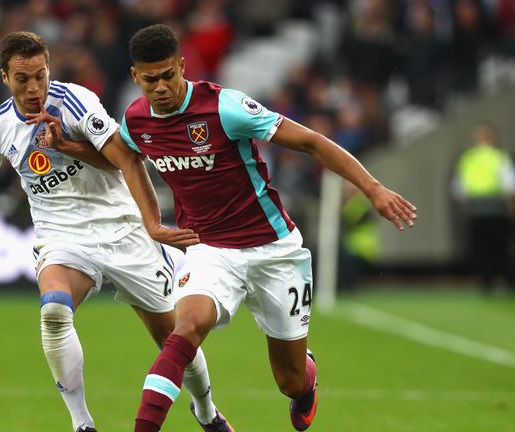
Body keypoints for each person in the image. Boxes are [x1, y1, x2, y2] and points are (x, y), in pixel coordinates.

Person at [109, 24, 416, 431]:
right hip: (210, 250)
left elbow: (311, 142)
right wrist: (151, 221)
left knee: (288, 382)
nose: (161, 87)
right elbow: (124, 156)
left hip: (274, 251)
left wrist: (373, 189)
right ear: (136, 77)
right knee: (184, 330)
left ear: (182, 66)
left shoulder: (225, 107)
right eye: (151, 80)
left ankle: (306, 377)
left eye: (169, 75)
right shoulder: (136, 119)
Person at [0, 31, 233, 432]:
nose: (34, 88)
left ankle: (207, 411)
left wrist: (69, 147)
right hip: (61, 235)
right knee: (54, 312)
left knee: (174, 338)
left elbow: (126, 161)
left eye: (40, 76)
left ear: (49, 70)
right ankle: (83, 425)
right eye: (22, 79)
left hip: (122, 228)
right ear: (4, 78)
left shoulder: (75, 102)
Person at [451, 123, 515, 293]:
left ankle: (486, 283)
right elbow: (511, 185)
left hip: (476, 210)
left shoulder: (468, 158)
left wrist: (468, 208)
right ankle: (510, 283)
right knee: (502, 247)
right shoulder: (499, 157)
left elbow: (459, 189)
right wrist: (514, 207)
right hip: (497, 209)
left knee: (481, 249)